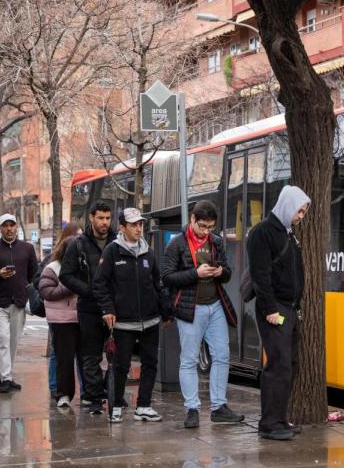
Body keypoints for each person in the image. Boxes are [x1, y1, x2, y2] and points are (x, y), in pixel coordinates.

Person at [162, 200, 244, 429]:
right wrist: (195, 273)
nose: (207, 231)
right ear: (192, 220)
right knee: (188, 359)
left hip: (215, 305)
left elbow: (228, 272)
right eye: (203, 227)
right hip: (190, 308)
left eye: (211, 227)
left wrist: (220, 272)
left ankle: (219, 407)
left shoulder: (216, 242)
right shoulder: (177, 244)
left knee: (222, 355)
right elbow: (167, 276)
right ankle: (192, 409)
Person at [93, 207, 169, 423]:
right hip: (123, 323)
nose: (138, 228)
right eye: (134, 224)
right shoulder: (111, 252)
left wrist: (166, 312)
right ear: (123, 227)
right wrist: (108, 309)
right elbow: (100, 284)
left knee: (150, 363)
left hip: (150, 320)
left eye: (141, 224)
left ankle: (144, 406)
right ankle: (116, 405)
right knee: (121, 365)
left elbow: (158, 284)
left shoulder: (149, 252)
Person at [246, 185, 310, 441]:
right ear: (287, 206)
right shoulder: (263, 232)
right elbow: (261, 275)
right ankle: (269, 423)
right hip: (276, 310)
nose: (300, 217)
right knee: (278, 365)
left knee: (289, 364)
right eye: (299, 211)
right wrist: (270, 308)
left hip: (289, 309)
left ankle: (280, 418)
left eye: (304, 213)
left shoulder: (287, 233)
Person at [59, 202, 115, 415]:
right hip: (89, 308)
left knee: (117, 356)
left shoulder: (117, 241)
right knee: (90, 356)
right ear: (91, 218)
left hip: (114, 307)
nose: (105, 222)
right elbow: (66, 275)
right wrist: (87, 290)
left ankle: (112, 393)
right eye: (101, 218)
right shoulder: (78, 244)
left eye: (108, 218)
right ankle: (94, 397)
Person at [0, 213, 38, 394]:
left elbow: (34, 274)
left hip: (19, 302)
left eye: (12, 225)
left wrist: (30, 292)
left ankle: (8, 375)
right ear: (0, 229)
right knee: (2, 340)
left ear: (16, 227)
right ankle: (5, 378)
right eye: (6, 225)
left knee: (14, 341)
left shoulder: (27, 248)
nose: (9, 228)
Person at [39, 232, 80, 408]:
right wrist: (68, 284)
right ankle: (63, 394)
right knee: (64, 359)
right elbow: (46, 292)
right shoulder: (53, 268)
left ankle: (89, 394)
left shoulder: (84, 266)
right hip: (62, 320)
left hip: (82, 317)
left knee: (87, 358)